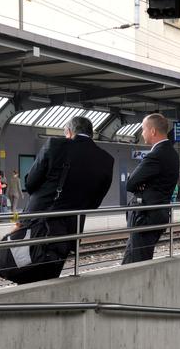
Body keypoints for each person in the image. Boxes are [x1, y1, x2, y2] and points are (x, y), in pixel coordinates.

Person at [22, 115, 113, 281]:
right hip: (72, 227)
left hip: (40, 223)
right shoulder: (106, 159)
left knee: (27, 273)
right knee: (51, 275)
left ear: (70, 132)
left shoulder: (55, 145)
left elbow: (30, 184)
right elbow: (94, 203)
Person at [122, 113, 179, 264]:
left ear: (153, 131)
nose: (142, 133)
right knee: (132, 259)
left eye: (143, 129)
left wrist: (142, 184)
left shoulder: (156, 154)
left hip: (145, 217)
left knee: (136, 263)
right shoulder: (172, 153)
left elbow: (130, 183)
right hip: (158, 213)